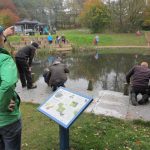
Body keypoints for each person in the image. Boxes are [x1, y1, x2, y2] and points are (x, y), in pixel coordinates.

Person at [0, 26, 22, 150]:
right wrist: (2, 104)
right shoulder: (4, 59)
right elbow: (8, 84)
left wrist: (4, 35)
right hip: (7, 120)